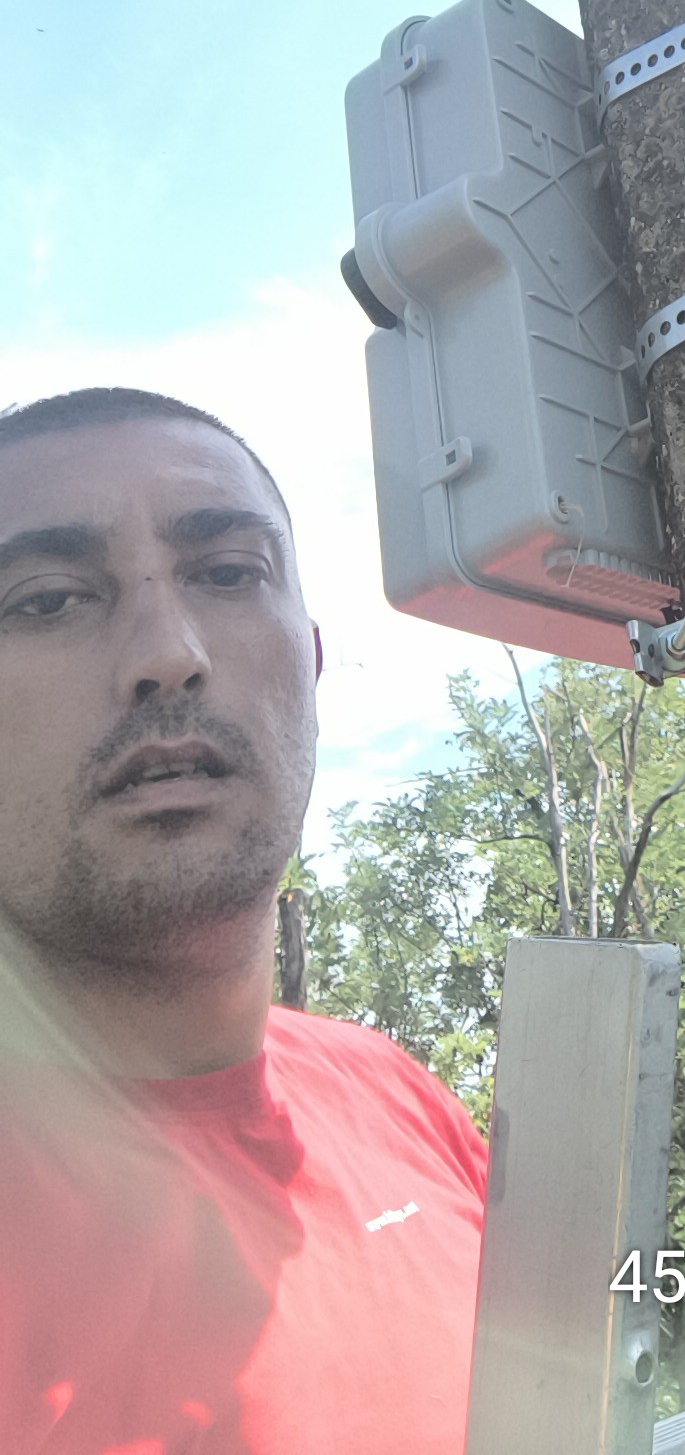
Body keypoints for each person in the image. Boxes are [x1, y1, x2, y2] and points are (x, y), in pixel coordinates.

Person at [0, 387, 490, 1455]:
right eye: (49, 600)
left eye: (227, 574)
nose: (168, 653)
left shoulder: (403, 1104)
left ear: (309, 662)